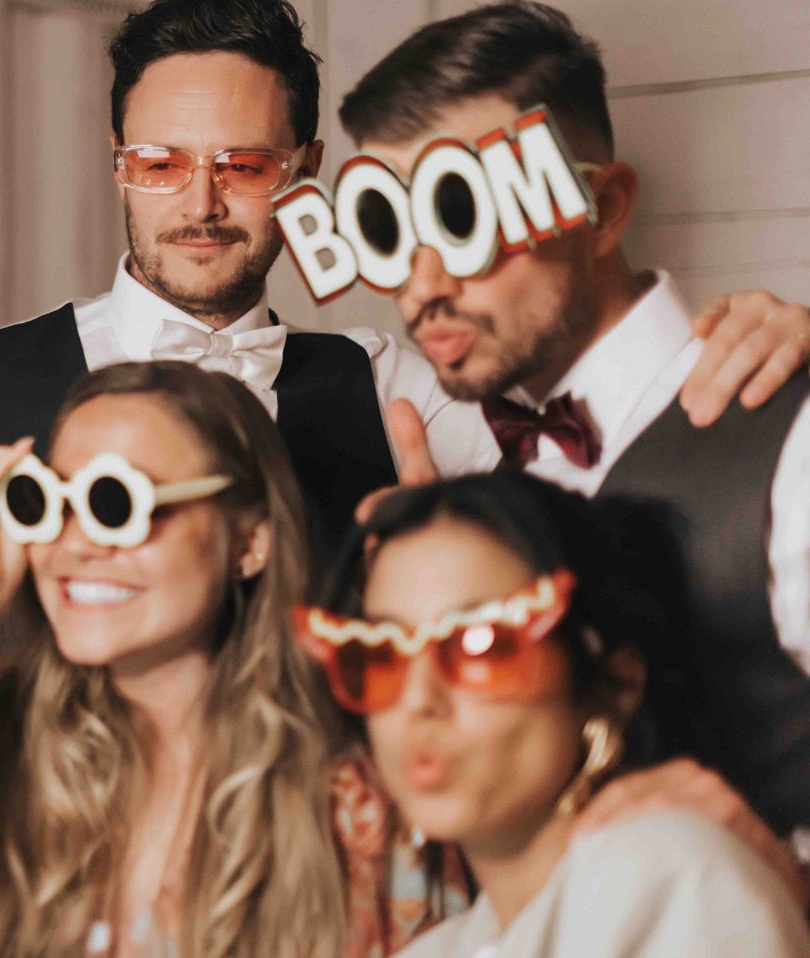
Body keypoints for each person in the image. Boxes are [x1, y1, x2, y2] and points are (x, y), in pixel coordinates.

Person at [0, 0, 810, 706]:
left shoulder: (409, 386)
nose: (199, 204)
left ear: (306, 175)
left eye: (243, 166)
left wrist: (780, 338)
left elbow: (613, 469)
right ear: (118, 165)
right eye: (160, 165)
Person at [338, 0, 810, 853]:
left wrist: (779, 863)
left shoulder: (791, 432)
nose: (423, 286)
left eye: (463, 217)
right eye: (389, 233)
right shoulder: (471, 476)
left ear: (605, 208)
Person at [0, 362, 377, 958]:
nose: (76, 543)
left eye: (116, 502)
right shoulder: (14, 741)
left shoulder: (347, 774)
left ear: (249, 542)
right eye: (51, 502)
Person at [294, 472, 810, 956]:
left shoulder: (672, 882)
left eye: (482, 646)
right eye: (380, 655)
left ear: (615, 686)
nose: (417, 700)